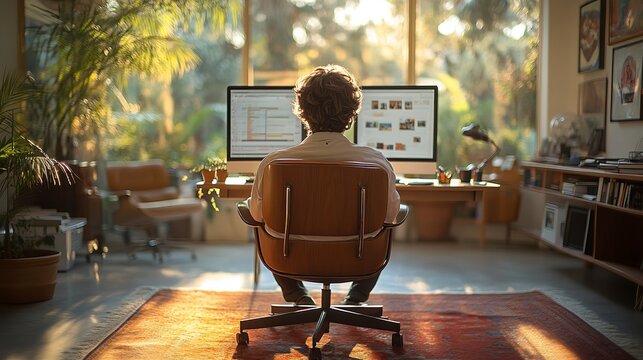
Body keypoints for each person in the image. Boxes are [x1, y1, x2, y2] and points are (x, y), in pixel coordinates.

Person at [247, 64, 400, 306]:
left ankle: (297, 296)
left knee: (264, 227)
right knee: (382, 230)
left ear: (302, 111)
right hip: (359, 259)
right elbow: (391, 216)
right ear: (352, 113)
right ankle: (356, 298)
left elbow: (256, 214)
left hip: (289, 258)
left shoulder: (272, 163)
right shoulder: (376, 162)